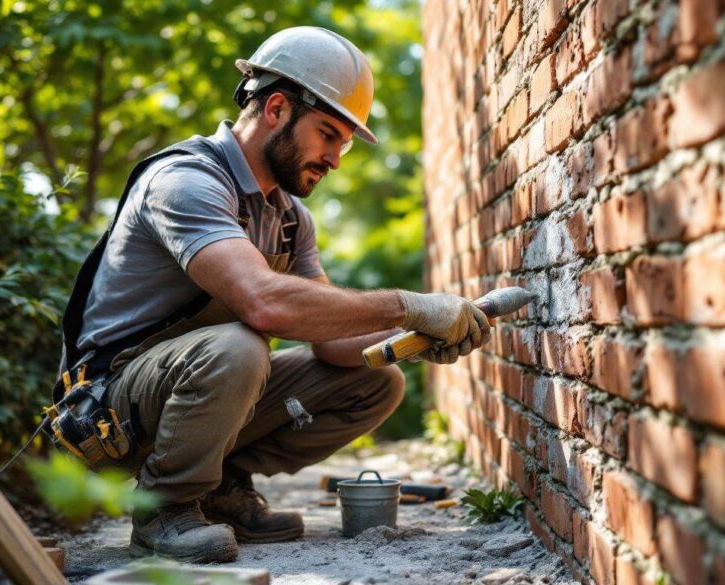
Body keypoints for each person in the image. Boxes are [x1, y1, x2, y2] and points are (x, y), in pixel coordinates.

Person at [63, 26, 489, 563]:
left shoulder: (289, 218)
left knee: (376, 380)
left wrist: (417, 332)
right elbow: (263, 303)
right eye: (329, 134)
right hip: (112, 410)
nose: (336, 159)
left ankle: (219, 488)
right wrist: (409, 304)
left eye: (345, 143)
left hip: (203, 382)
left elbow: (335, 344)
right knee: (240, 345)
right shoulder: (186, 180)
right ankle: (166, 509)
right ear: (277, 108)